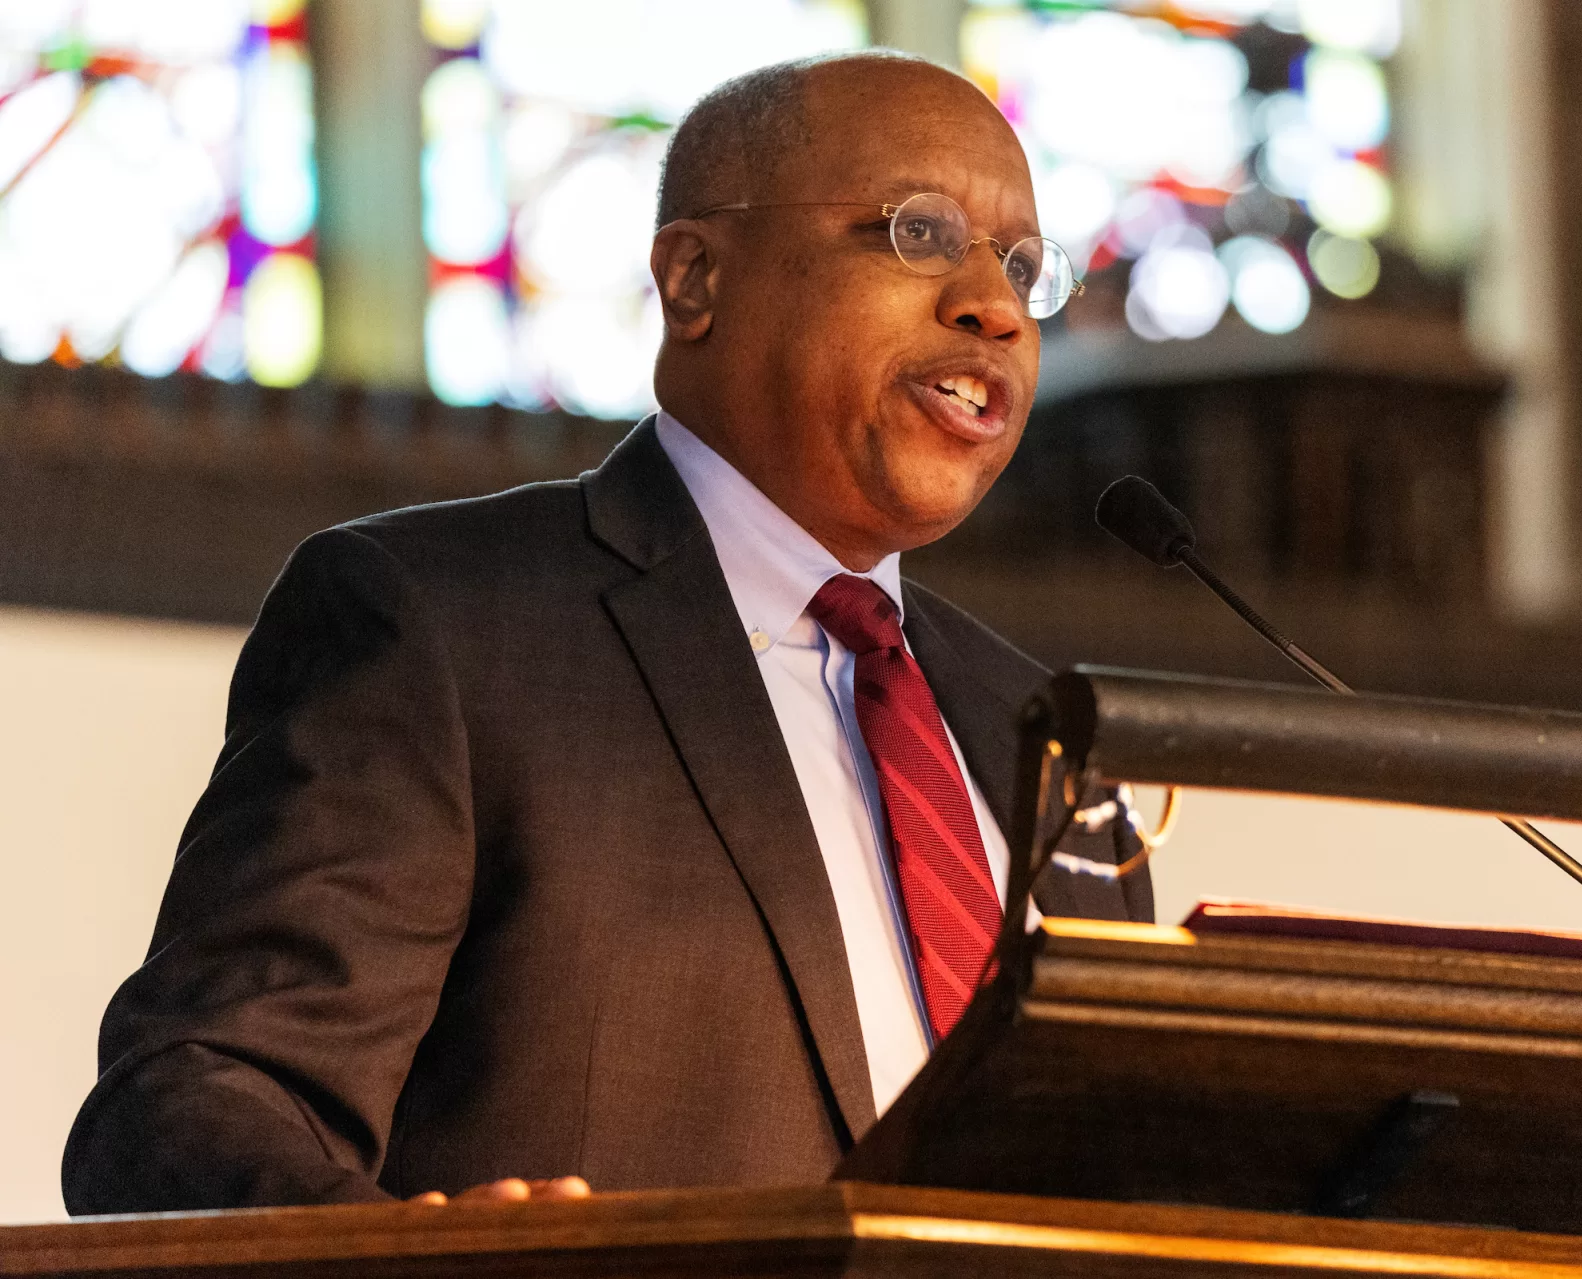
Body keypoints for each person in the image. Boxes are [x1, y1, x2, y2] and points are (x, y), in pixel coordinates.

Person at [63, 50, 1152, 1214]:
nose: (992, 305)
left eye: (1024, 266)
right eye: (920, 234)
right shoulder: (441, 625)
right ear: (693, 278)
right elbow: (194, 1097)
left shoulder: (1039, 730)